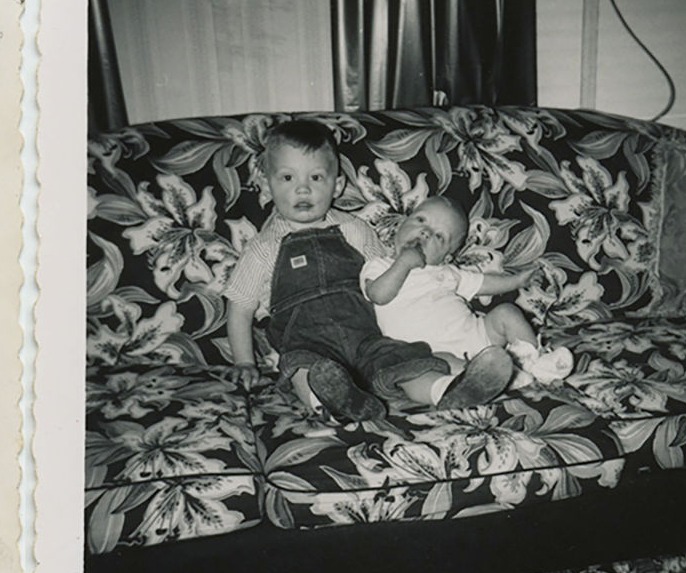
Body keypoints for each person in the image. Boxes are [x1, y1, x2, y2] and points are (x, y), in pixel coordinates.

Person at [222, 120, 513, 422]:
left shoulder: (354, 230)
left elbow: (387, 276)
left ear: (336, 185)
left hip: (366, 337)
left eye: (316, 177)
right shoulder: (262, 248)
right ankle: (334, 405)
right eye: (287, 177)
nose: (303, 188)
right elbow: (240, 308)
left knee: (404, 362)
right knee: (302, 366)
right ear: (267, 184)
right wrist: (244, 362)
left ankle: (448, 391)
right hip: (308, 342)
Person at [361, 196, 573, 386]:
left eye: (439, 237)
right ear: (400, 226)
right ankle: (497, 377)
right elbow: (378, 295)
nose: (426, 232)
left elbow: (484, 284)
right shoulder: (380, 266)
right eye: (420, 220)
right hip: (429, 353)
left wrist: (517, 281)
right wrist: (403, 264)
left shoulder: (447, 272)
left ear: (445, 257)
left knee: (507, 312)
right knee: (436, 366)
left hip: (479, 336)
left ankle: (534, 362)